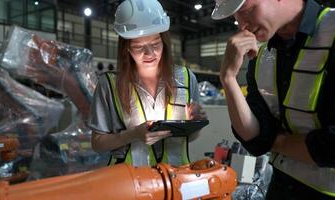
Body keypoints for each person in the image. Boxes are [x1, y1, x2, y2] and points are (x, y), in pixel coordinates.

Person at [212, 0, 335, 199]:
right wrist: (228, 78)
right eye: (236, 16)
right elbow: (255, 140)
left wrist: (275, 142)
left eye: (246, 10)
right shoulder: (262, 55)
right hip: (280, 189)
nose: (242, 25)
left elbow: (331, 147)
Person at [88, 0, 206, 167]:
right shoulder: (109, 85)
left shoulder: (186, 78)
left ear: (164, 42)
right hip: (130, 184)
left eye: (156, 44)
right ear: (126, 48)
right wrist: (133, 134)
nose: (149, 53)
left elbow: (190, 138)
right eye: (138, 47)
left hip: (178, 180)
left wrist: (196, 123)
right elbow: (97, 143)